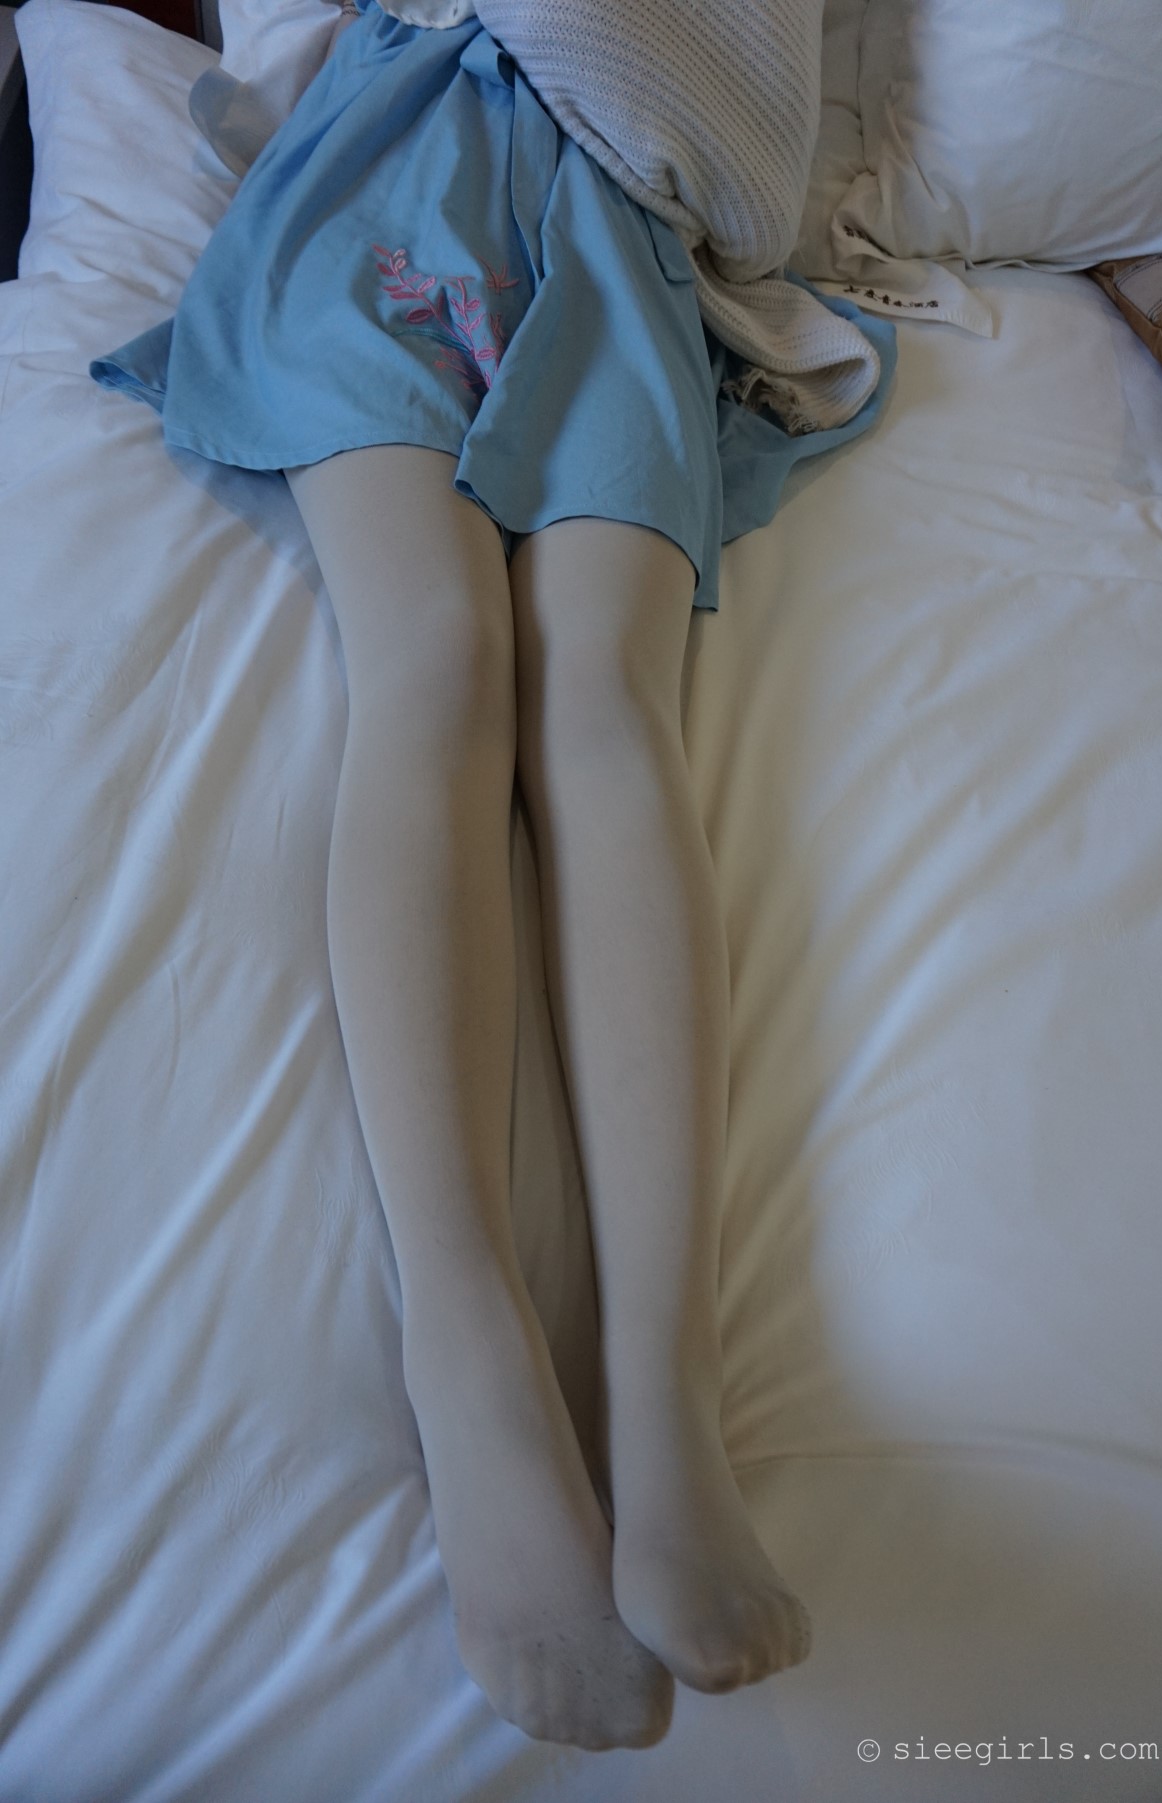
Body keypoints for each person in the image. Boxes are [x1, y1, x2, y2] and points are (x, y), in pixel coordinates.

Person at [90, 0, 895, 1751]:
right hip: (374, 186)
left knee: (607, 697)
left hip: (620, 230)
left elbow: (751, 145)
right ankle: (470, 1358)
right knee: (437, 652)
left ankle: (667, 1392)